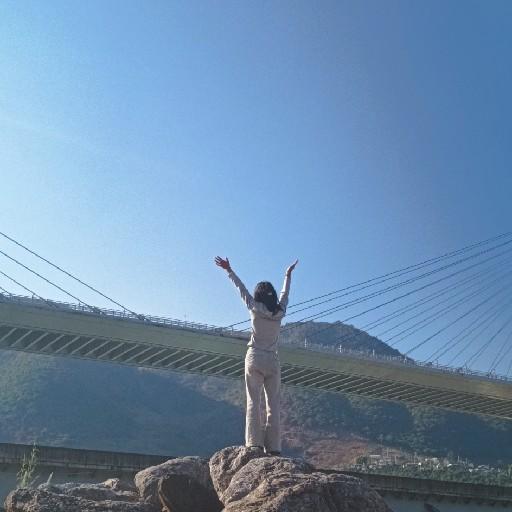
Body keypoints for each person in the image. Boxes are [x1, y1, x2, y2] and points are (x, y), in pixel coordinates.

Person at [215, 256, 298, 455]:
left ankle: (254, 444)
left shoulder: (253, 306)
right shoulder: (280, 311)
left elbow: (241, 288)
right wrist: (287, 275)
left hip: (254, 357)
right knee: (273, 404)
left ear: (258, 295)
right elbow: (285, 294)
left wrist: (229, 270)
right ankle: (274, 448)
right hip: (272, 360)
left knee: (254, 400)